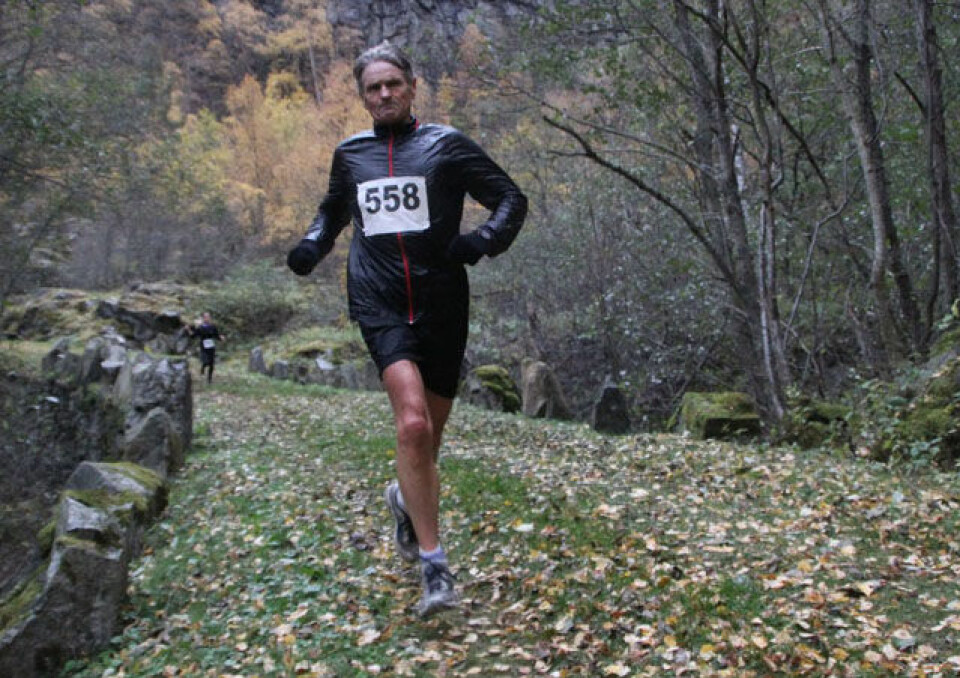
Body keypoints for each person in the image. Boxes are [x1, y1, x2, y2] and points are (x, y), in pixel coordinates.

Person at [287, 41, 527, 617]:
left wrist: (483, 240)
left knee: (426, 444)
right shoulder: (351, 155)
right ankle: (435, 567)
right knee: (413, 424)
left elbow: (509, 198)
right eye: (373, 87)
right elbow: (333, 210)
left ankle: (402, 497)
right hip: (380, 301)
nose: (384, 94)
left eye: (393, 83)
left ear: (413, 86)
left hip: (443, 302)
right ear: (362, 96)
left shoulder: (446, 145)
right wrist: (313, 244)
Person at [188, 312, 225, 384]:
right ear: (203, 318)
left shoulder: (213, 327)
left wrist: (221, 338)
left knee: (211, 363)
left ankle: (209, 379)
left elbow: (216, 335)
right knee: (205, 361)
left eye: (208, 317)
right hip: (203, 346)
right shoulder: (200, 327)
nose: (207, 318)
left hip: (211, 346)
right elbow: (193, 336)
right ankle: (203, 367)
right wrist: (188, 330)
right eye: (205, 317)